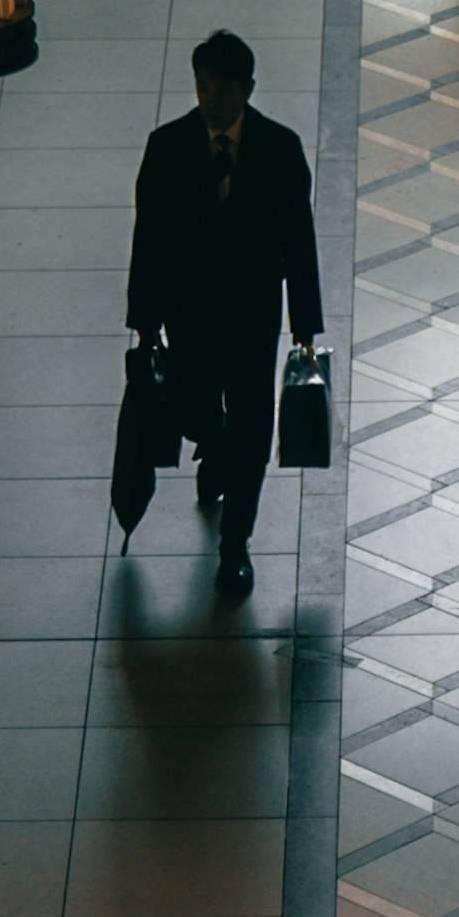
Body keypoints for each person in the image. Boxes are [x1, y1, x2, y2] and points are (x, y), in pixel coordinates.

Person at [126, 30, 321, 599]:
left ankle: (235, 544)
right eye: (202, 88)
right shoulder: (167, 147)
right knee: (193, 408)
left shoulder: (280, 149)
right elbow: (150, 238)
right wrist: (145, 318)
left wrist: (304, 323)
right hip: (189, 315)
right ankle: (216, 442)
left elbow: (299, 241)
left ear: (248, 88)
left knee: (254, 424)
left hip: (253, 316)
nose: (209, 100)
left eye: (222, 90)